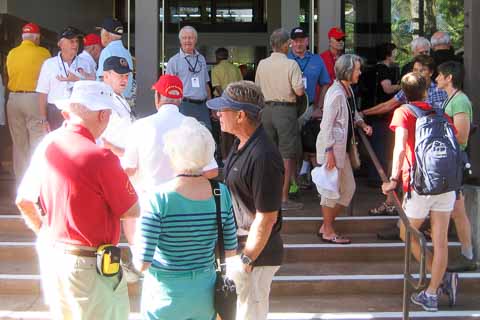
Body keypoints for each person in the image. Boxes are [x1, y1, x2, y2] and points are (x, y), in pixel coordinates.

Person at [16, 80, 139, 319]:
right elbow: (131, 209)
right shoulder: (102, 156)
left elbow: (24, 200)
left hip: (54, 256)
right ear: (103, 115)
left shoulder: (48, 144)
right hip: (89, 265)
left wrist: (45, 232)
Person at [134, 117, 237, 320]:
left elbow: (142, 263)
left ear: (173, 154)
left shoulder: (158, 197)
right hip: (204, 294)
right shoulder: (220, 192)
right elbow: (230, 249)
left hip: (164, 295)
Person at [207, 80, 284, 320]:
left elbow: (267, 217)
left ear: (240, 115)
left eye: (224, 109)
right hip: (239, 249)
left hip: (255, 255)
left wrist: (246, 260)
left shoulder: (263, 155)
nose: (218, 114)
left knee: (248, 315)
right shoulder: (241, 144)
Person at [381, 72, 458, 312]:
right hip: (446, 184)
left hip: (419, 184)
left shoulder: (403, 112)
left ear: (404, 93)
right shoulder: (441, 114)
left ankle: (439, 277)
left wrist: (392, 179)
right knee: (441, 240)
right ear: (426, 91)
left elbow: (400, 148)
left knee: (406, 231)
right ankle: (433, 291)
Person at [362, 54, 447, 219]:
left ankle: (413, 217)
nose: (417, 73)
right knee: (398, 166)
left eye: (421, 70)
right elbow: (389, 104)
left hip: (429, 144)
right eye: (415, 70)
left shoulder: (441, 92)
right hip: (409, 140)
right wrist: (364, 112)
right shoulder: (410, 87)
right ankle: (391, 204)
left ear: (430, 72)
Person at [122, 74, 218, 196]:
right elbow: (212, 170)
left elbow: (129, 169)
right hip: (183, 202)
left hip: (149, 200)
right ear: (181, 99)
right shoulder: (194, 126)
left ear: (157, 97)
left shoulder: (139, 126)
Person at [316, 54, 372, 244]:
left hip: (342, 149)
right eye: (357, 69)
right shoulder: (336, 92)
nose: (360, 72)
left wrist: (361, 124)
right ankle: (328, 230)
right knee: (330, 191)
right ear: (348, 71)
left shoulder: (347, 90)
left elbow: (352, 112)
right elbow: (326, 124)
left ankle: (326, 225)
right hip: (333, 149)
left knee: (348, 189)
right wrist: (329, 151)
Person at [255, 28, 305, 211]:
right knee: (287, 156)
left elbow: (257, 90)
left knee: (267, 154)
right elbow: (299, 91)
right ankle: (283, 198)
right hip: (286, 112)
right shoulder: (291, 65)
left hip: (266, 111)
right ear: (286, 45)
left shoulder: (262, 64)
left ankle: (267, 197)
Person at [436, 61, 477, 272]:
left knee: (458, 210)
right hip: (450, 160)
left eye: (439, 75)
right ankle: (467, 254)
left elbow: (462, 136)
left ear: (449, 77)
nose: (436, 79)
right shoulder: (452, 99)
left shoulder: (460, 101)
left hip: (454, 160)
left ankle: (468, 255)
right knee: (456, 210)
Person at [5, 22, 50, 181]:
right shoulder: (43, 53)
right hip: (33, 99)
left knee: (19, 145)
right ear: (36, 37)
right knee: (37, 141)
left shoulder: (11, 53)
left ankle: (21, 185)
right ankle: (36, 184)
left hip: (13, 99)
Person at [288, 26, 331, 189]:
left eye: (301, 40)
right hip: (289, 108)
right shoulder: (285, 59)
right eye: (295, 41)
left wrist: (319, 106)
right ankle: (292, 182)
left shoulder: (316, 60)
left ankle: (306, 176)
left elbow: (326, 83)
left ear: (307, 41)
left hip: (309, 108)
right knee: (291, 146)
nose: (298, 44)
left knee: (310, 143)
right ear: (291, 42)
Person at [36, 26, 94, 131]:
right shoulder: (49, 64)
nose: (75, 44)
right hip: (55, 112)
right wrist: (43, 120)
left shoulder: (85, 63)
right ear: (60, 44)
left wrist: (78, 80)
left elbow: (93, 88)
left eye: (77, 41)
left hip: (79, 111)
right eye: (71, 41)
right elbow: (42, 93)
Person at [366, 43, 401, 197]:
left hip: (374, 112)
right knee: (381, 146)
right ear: (388, 54)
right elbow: (387, 88)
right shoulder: (384, 70)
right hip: (381, 113)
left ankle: (375, 176)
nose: (396, 54)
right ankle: (378, 177)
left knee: (377, 145)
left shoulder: (373, 69)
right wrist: (402, 86)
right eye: (394, 52)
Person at [166, 26, 212, 131]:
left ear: (195, 40)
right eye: (184, 38)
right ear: (180, 40)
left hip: (203, 106)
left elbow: (206, 84)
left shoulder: (201, 59)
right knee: (185, 136)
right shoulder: (174, 61)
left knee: (206, 134)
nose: (187, 40)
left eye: (191, 38)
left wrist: (210, 105)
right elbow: (169, 88)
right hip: (184, 105)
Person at [211, 47, 243, 160]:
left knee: (224, 132)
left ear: (217, 57)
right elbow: (241, 86)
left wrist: (225, 100)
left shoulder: (216, 69)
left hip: (222, 102)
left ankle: (225, 159)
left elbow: (218, 88)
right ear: (227, 56)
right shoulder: (235, 69)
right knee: (236, 131)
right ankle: (236, 157)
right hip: (236, 102)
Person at [96, 17, 134, 103]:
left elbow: (103, 79)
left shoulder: (107, 51)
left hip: (110, 100)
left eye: (101, 32)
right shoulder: (126, 52)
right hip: (124, 100)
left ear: (105, 34)